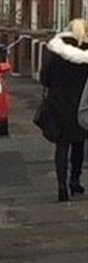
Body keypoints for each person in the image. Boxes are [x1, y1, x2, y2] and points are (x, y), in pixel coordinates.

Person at [40, 18, 88, 202]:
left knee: (61, 145)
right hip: (80, 104)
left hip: (58, 103)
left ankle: (61, 186)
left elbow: (45, 78)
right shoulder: (85, 53)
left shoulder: (55, 51)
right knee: (78, 144)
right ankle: (75, 181)